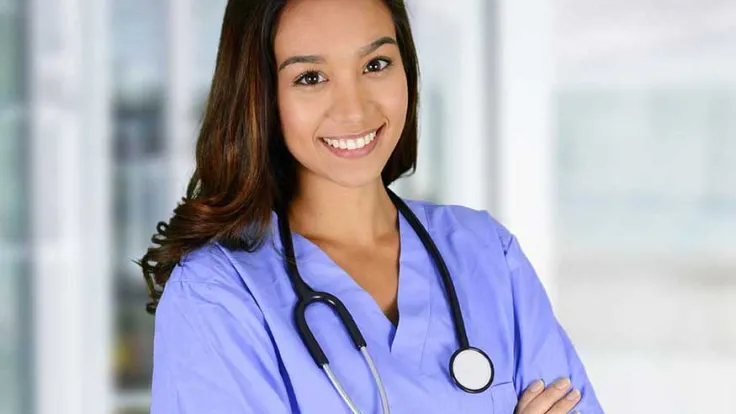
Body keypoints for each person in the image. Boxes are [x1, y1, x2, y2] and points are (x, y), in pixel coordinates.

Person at [140, 0, 604, 413]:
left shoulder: (487, 254)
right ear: (261, 96)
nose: (354, 108)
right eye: (311, 77)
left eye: (376, 64)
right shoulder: (218, 293)